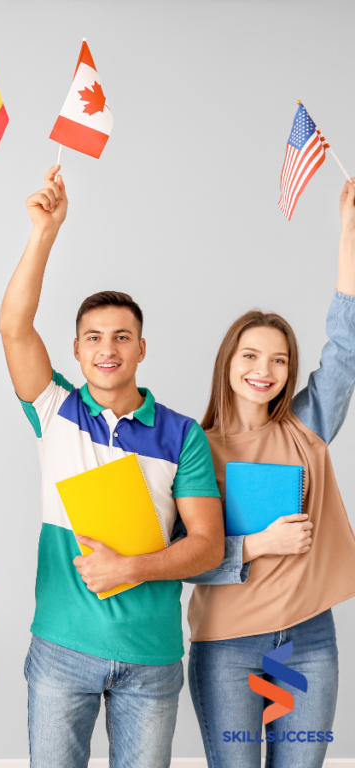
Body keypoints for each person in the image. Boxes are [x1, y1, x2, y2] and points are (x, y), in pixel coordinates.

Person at [0, 167, 225, 768]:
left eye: (122, 337)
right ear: (76, 350)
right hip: (60, 650)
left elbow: (207, 546)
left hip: (151, 657)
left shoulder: (183, 436)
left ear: (141, 349)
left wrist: (132, 566)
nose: (107, 349)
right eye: (93, 337)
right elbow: (13, 327)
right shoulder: (56, 411)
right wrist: (44, 232)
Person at [184, 181, 355, 767]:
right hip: (227, 647)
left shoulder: (307, 427)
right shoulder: (193, 449)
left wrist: (349, 239)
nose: (265, 369)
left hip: (306, 643)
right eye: (251, 356)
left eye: (279, 359)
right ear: (228, 363)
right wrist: (258, 544)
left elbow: (346, 349)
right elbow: (178, 554)